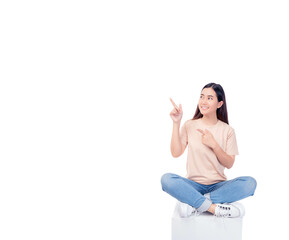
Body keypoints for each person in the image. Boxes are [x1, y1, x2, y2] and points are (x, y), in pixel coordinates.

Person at [161, 82, 257, 218]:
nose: (203, 101)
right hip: (192, 184)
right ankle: (212, 207)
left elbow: (229, 164)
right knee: (167, 179)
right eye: (202, 96)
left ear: (219, 104)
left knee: (250, 183)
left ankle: (194, 202)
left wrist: (214, 145)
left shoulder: (228, 130)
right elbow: (176, 153)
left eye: (210, 98)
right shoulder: (190, 125)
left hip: (218, 186)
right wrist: (176, 123)